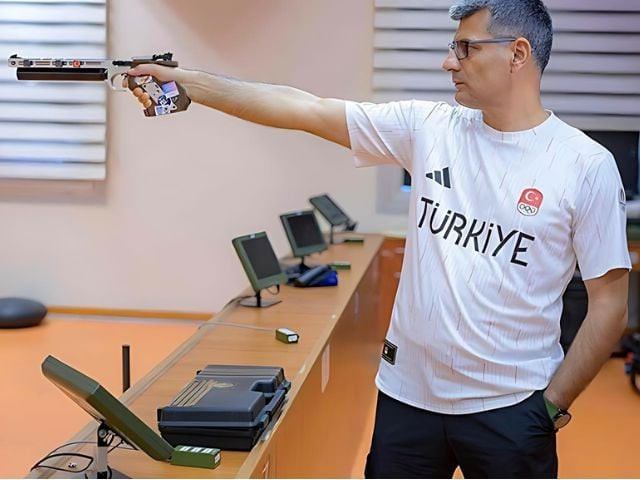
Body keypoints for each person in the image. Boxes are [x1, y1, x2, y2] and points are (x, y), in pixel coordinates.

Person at [126, 0, 631, 477]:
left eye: (465, 48)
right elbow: (302, 108)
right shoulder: (430, 128)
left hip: (512, 409)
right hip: (406, 400)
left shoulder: (584, 165)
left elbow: (609, 303)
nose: (448, 62)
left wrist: (549, 408)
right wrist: (188, 83)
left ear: (518, 53)